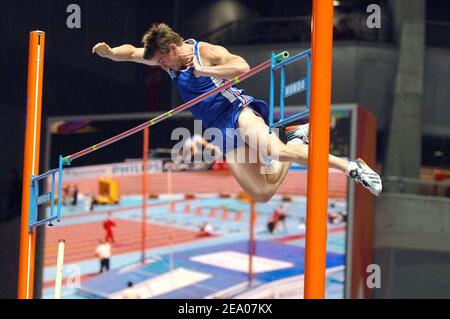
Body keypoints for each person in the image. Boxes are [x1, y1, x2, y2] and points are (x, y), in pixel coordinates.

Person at [92, 23, 382, 203]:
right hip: (219, 132)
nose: (162, 67)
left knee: (274, 151)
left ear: (173, 47)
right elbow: (131, 51)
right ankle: (296, 142)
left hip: (237, 111)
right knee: (262, 193)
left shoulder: (205, 52)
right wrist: (110, 53)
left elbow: (242, 67)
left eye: (163, 61)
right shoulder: (166, 60)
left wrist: (205, 70)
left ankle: (351, 168)